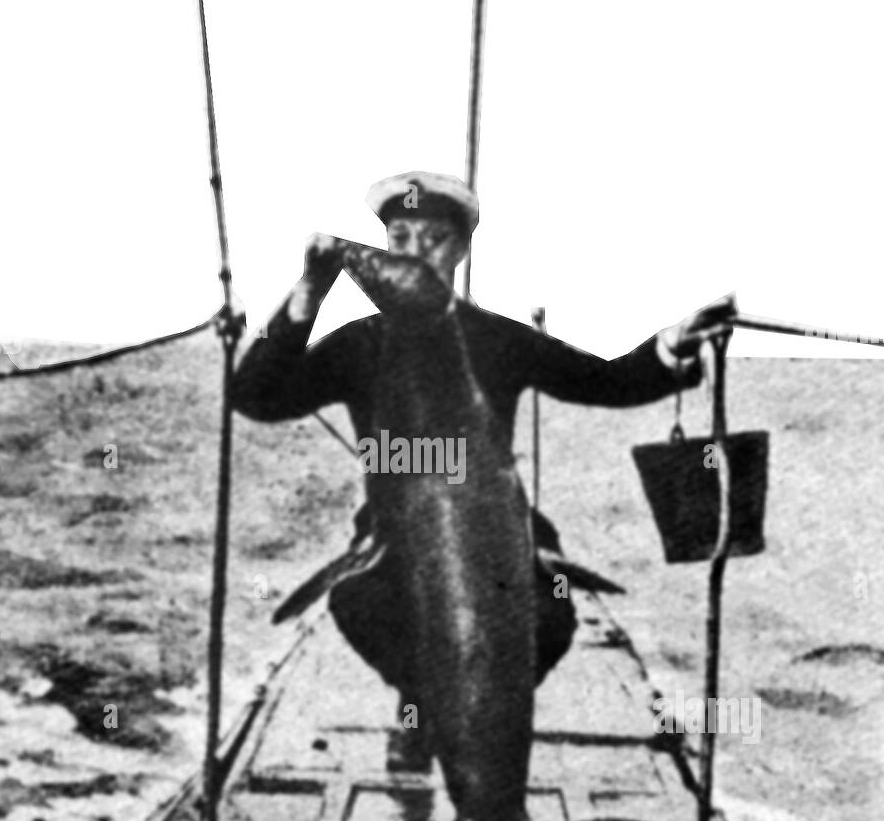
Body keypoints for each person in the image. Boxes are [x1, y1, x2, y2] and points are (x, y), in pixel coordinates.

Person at [230, 172, 735, 760]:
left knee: (550, 615)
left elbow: (608, 381)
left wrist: (672, 344)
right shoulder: (358, 343)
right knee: (359, 602)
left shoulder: (497, 340)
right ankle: (419, 702)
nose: (414, 251)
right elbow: (257, 396)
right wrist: (307, 293)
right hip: (397, 539)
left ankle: (489, 716)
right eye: (399, 237)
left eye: (432, 238)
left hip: (500, 542)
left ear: (461, 249)